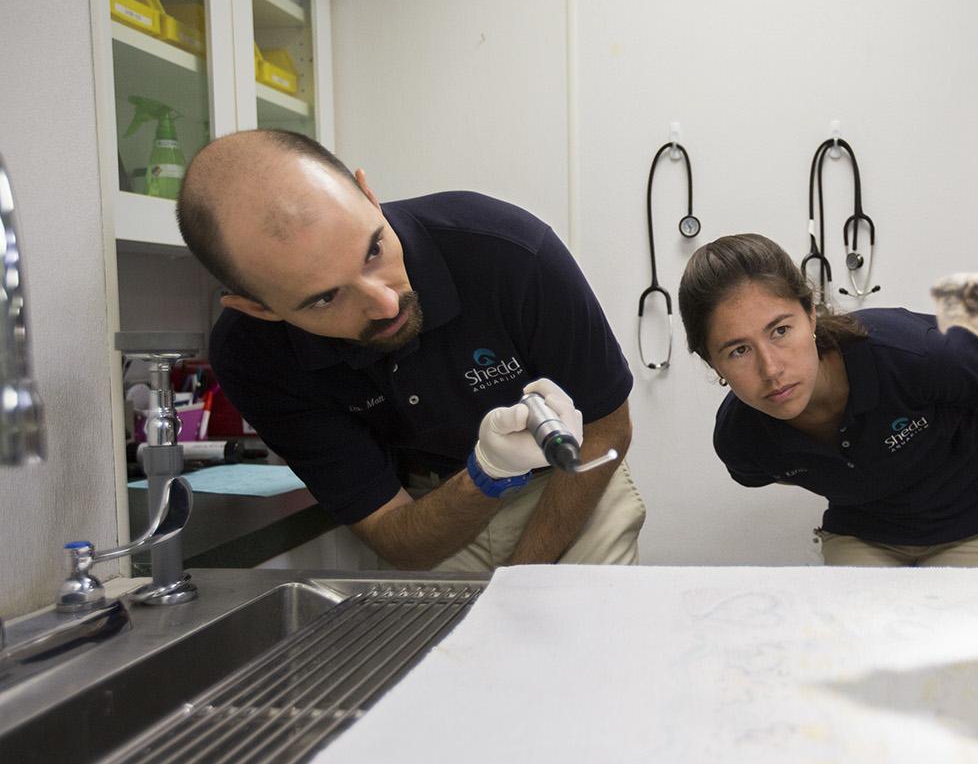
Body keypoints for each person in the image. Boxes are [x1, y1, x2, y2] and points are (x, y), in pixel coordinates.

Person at [176, 129, 645, 572]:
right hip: (433, 504)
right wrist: (487, 472)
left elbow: (607, 427)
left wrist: (519, 580)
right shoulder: (252, 355)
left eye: (373, 250)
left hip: (570, 476)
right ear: (257, 308)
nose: (385, 303)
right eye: (325, 297)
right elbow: (391, 531)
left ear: (367, 194)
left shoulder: (506, 250)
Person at [678, 234, 978, 567]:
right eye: (739, 350)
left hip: (977, 520)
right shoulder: (740, 439)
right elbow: (790, 471)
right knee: (850, 632)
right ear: (712, 362)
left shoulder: (914, 352)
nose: (771, 369)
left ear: (811, 314)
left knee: (957, 632)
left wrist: (966, 462)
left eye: (781, 331)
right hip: (865, 533)